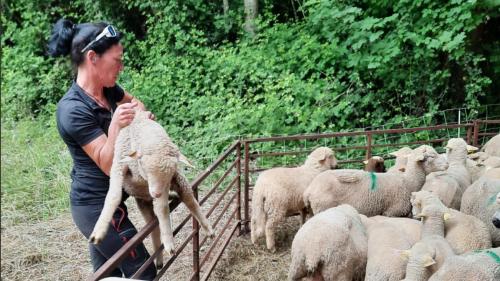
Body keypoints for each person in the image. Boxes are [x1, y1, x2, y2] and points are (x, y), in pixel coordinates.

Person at [47, 18, 157, 279]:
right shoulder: (72, 109)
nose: (121, 66)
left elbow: (136, 103)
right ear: (93, 57)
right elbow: (108, 165)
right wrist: (118, 125)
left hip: (115, 199)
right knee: (143, 271)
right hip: (96, 207)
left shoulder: (108, 89)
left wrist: (140, 119)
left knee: (109, 273)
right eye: (117, 60)